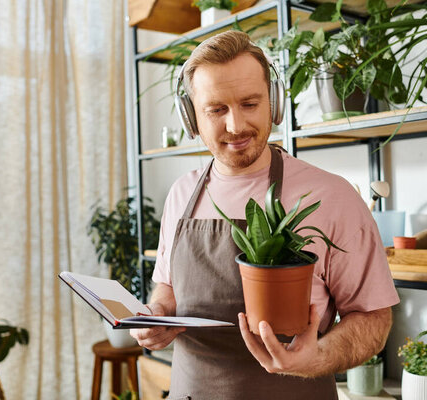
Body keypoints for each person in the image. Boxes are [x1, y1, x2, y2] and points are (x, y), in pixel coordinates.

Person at [130, 30, 399, 399]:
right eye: (216, 109)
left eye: (250, 103)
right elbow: (169, 289)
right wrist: (157, 314)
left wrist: (316, 357)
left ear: (274, 101)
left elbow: (374, 319)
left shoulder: (332, 196)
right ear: (192, 116)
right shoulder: (181, 194)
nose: (236, 126)